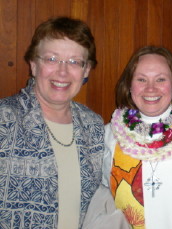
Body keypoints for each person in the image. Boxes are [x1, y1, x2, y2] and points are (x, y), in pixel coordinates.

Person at [0, 17, 105, 228]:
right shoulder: (4, 120)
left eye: (74, 62)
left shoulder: (93, 125)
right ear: (34, 65)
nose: (62, 72)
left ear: (86, 71)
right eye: (51, 59)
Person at [95, 46, 172, 228]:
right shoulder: (109, 136)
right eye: (141, 79)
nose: (151, 88)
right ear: (129, 85)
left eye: (160, 79)